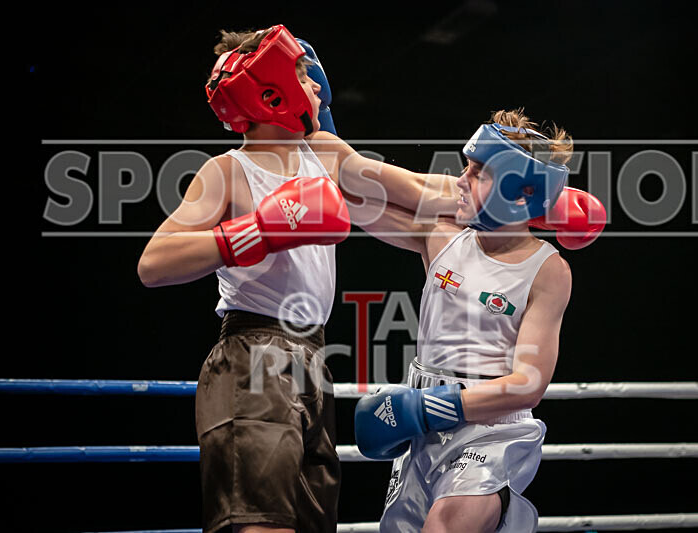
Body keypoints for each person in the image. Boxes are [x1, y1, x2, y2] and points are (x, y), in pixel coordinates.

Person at [136, 24, 471, 533]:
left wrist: (516, 198)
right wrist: (259, 230)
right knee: (262, 523)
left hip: (313, 360)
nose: (316, 85)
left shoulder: (325, 154)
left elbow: (420, 191)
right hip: (251, 356)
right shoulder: (227, 171)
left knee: (313, 524)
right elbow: (154, 263)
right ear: (272, 92)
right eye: (302, 75)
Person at [351, 109, 605, 532]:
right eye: (465, 167)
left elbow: (528, 384)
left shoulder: (547, 270)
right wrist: (311, 125)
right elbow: (347, 192)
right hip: (422, 430)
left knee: (445, 527)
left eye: (478, 173)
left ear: (517, 191)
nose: (460, 181)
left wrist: (427, 408)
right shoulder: (442, 236)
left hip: (488, 432)